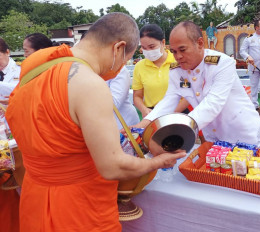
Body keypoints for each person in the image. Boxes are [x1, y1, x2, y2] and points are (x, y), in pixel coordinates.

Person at [5, 13, 185, 231]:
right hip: (77, 206)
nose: (119, 69)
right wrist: (159, 162)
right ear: (118, 48)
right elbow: (112, 166)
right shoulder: (89, 83)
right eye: (124, 61)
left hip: (35, 195)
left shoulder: (33, 70)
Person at [134, 21, 260, 147]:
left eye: (182, 49)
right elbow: (168, 101)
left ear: (200, 43)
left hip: (241, 133)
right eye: (173, 51)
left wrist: (178, 130)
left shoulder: (222, 64)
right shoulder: (176, 70)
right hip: (212, 136)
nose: (177, 56)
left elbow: (213, 104)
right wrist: (142, 125)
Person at [132, 24, 188, 118]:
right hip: (151, 114)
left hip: (178, 113)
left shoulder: (178, 62)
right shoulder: (139, 67)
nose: (148, 51)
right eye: (144, 48)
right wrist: (143, 109)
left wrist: (171, 113)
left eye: (152, 46)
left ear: (163, 42)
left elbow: (188, 95)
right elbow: (137, 96)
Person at [240, 20, 260, 112]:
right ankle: (254, 104)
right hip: (254, 66)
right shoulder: (249, 39)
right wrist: (248, 56)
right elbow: (242, 51)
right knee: (254, 85)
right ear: (256, 27)